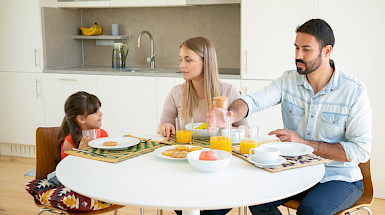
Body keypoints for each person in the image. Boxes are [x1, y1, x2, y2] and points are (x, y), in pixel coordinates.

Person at [209, 19, 372, 215]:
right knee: (258, 199)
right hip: (297, 171)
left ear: (327, 51)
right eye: (296, 48)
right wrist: (230, 115)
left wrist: (305, 144)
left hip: (339, 177)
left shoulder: (354, 91)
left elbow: (361, 151)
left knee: (311, 210)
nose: (298, 56)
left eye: (306, 49)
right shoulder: (288, 81)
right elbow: (253, 101)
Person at [158, 36, 247, 138]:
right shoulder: (176, 92)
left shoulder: (229, 91)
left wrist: (226, 127)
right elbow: (162, 128)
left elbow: (245, 131)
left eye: (188, 60)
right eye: (181, 59)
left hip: (219, 150)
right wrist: (166, 127)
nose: (181, 65)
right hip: (186, 151)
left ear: (206, 62)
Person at [56, 91, 108, 161]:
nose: (101, 114)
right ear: (81, 119)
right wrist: (80, 153)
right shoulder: (69, 143)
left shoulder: (102, 134)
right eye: (95, 112)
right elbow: (69, 168)